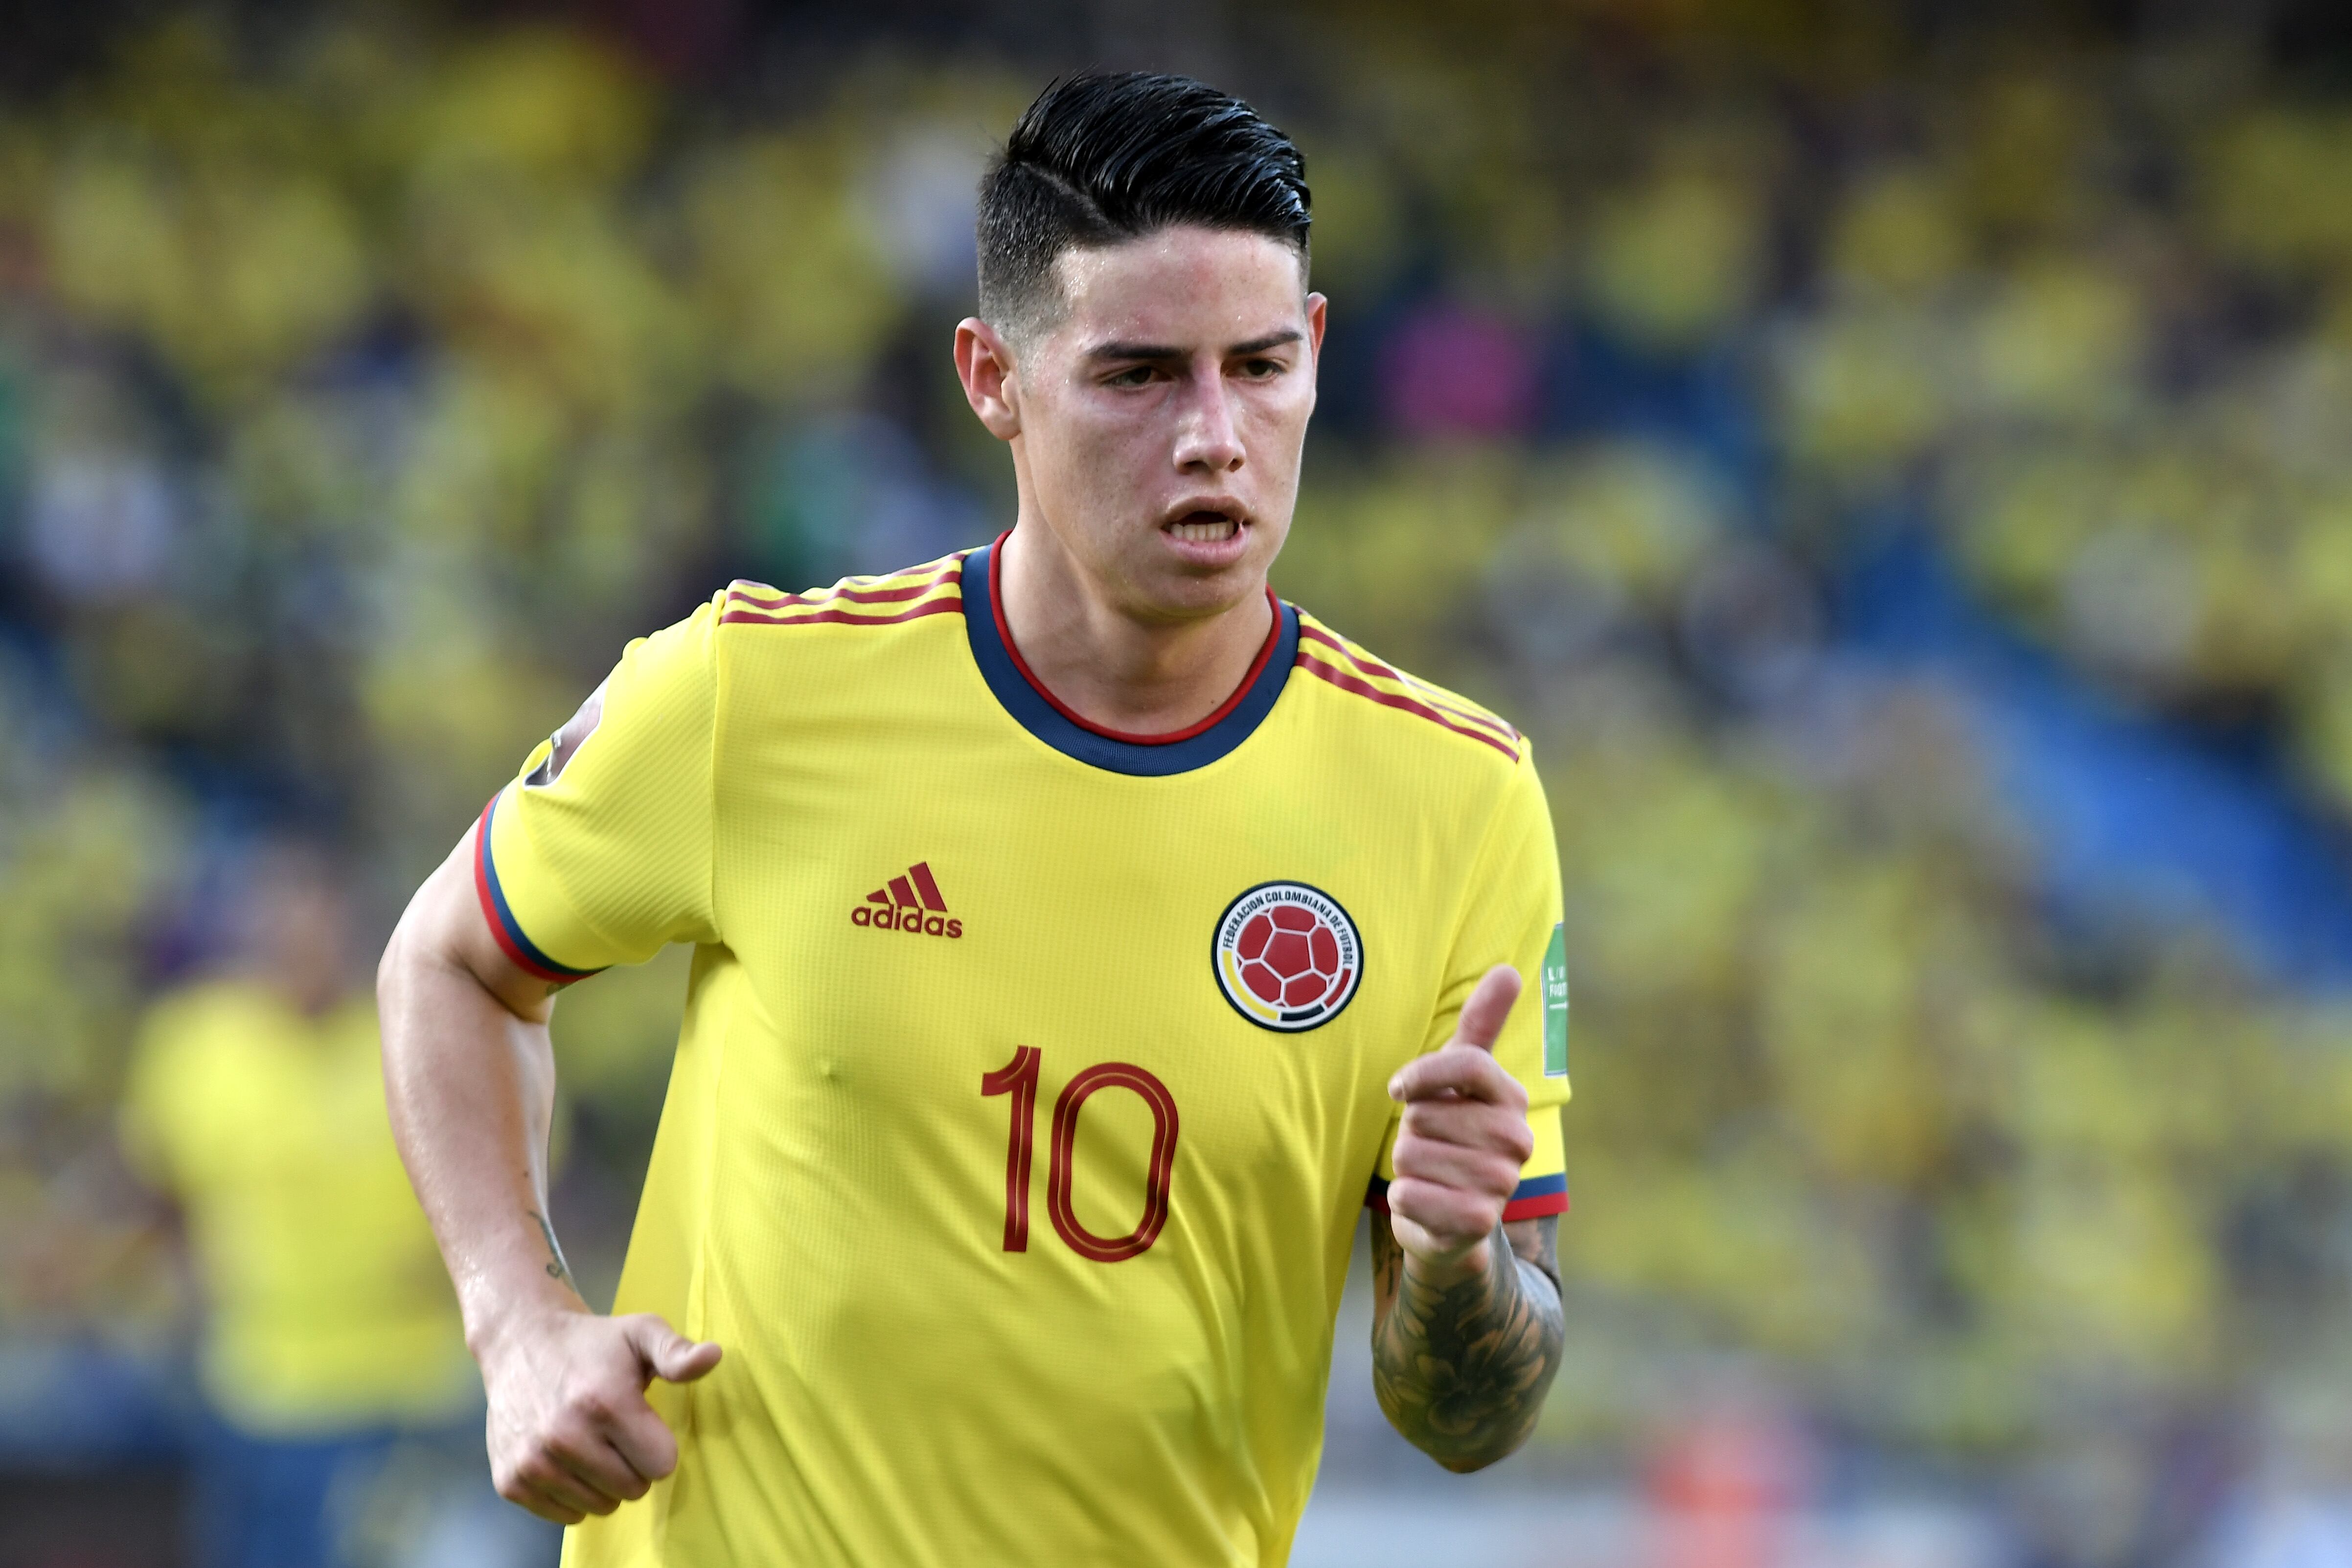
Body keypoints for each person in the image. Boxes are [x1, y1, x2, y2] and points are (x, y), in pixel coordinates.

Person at [376, 71, 1574, 1566]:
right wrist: (521, 1325)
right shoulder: (756, 693)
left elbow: (1467, 1414)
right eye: (1139, 374)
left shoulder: (1457, 799)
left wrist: (1457, 1255)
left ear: (1316, 351)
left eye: (1259, 366)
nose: (1216, 435)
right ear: (993, 376)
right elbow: (453, 961)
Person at [121, 840, 488, 1568]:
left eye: (318, 916)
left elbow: (521, 1174)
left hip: (409, 1384)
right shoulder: (194, 1043)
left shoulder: (419, 1031)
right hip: (259, 1383)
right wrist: (192, 1293)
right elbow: (161, 1187)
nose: (299, 938)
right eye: (279, 914)